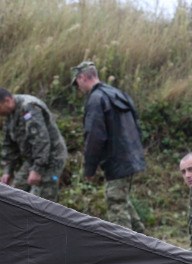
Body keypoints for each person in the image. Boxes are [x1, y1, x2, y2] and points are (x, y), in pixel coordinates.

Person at [71, 61, 146, 232]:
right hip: (132, 156)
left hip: (117, 160)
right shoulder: (117, 93)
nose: (78, 88)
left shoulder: (96, 99)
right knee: (122, 200)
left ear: (82, 78)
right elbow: (137, 125)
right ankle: (145, 240)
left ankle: (127, 251)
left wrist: (89, 169)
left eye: (77, 83)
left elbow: (94, 137)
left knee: (116, 204)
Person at [0, 88, 67, 202]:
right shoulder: (9, 113)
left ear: (7, 101)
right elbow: (9, 145)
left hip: (51, 158)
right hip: (32, 159)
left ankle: (45, 218)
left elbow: (41, 140)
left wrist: (37, 170)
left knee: (40, 201)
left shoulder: (29, 107)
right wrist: (7, 171)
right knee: (13, 193)